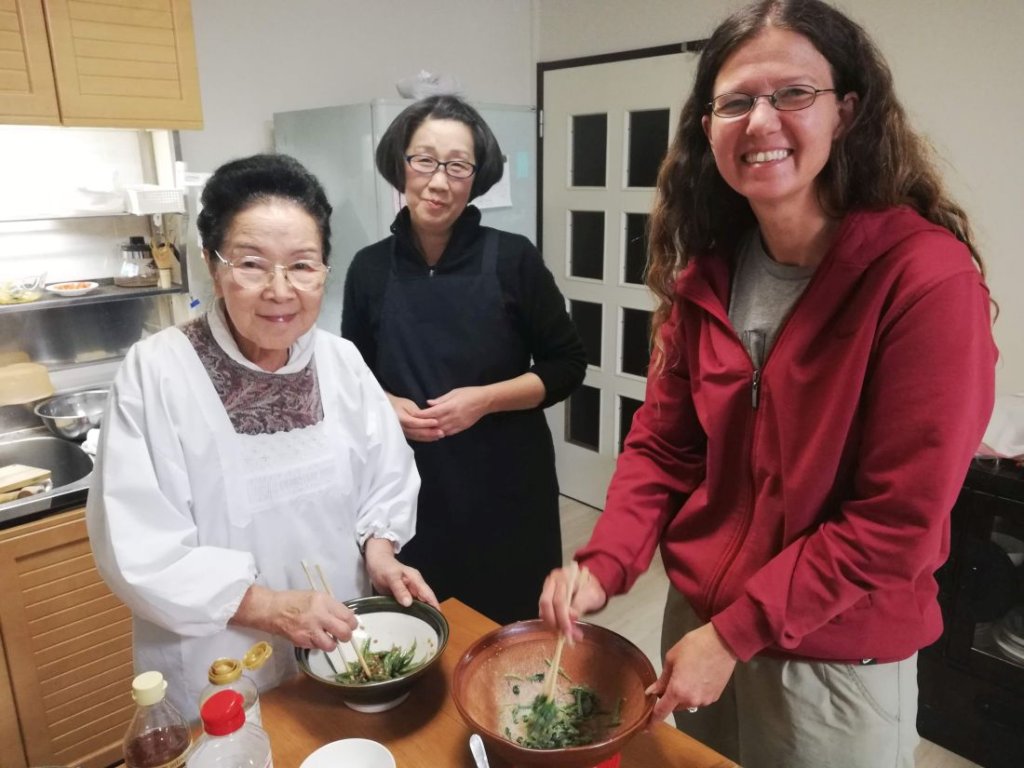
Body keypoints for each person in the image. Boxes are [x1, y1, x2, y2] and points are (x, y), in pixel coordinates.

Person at [539, 2, 997, 766]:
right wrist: (604, 562)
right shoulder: (710, 273)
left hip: (833, 648)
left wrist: (734, 633)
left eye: (793, 94)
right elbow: (664, 444)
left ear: (847, 110)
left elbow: (897, 524)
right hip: (700, 623)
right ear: (707, 125)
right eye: (736, 101)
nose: (761, 121)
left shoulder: (923, 280)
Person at [87, 154, 436, 720]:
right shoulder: (157, 373)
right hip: (216, 660)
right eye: (252, 264)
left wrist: (381, 550)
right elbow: (139, 547)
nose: (280, 290)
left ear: (325, 268)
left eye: (302, 266)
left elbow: (386, 475)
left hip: (339, 648)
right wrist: (269, 607)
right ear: (211, 263)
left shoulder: (341, 362)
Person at [342, 95, 586, 625]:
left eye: (457, 165)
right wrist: (387, 405)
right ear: (400, 165)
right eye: (423, 160)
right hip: (407, 489)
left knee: (513, 633)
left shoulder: (513, 257)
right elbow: (350, 379)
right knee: (422, 628)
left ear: (475, 178)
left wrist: (485, 400)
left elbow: (567, 364)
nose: (438, 180)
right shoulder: (368, 269)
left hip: (507, 487)